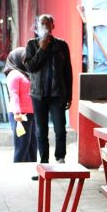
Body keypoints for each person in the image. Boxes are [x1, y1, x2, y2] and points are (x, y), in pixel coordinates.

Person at [22, 13, 73, 163]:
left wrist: (69, 95)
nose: (44, 26)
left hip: (57, 94)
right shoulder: (32, 44)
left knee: (60, 129)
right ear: (37, 26)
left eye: (47, 23)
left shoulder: (61, 45)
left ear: (52, 26)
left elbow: (67, 71)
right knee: (41, 131)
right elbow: (30, 67)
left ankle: (60, 158)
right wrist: (42, 49)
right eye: (41, 24)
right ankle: (44, 163)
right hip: (39, 95)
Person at [4, 47, 37, 164]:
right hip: (20, 114)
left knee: (33, 144)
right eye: (24, 58)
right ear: (17, 59)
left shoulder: (26, 72)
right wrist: (17, 113)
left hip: (32, 113)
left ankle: (32, 168)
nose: (26, 60)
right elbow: (14, 95)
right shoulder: (14, 74)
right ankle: (17, 169)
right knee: (22, 144)